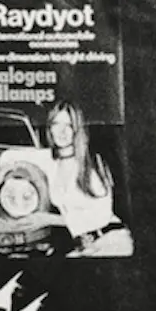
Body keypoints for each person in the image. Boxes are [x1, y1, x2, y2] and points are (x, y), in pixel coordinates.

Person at [44, 99, 129, 256]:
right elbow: (7, 157)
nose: (62, 132)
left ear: (78, 130)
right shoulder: (51, 164)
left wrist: (47, 219)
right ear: (50, 128)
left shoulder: (92, 162)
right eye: (56, 124)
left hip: (110, 240)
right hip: (82, 246)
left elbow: (101, 215)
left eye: (69, 126)